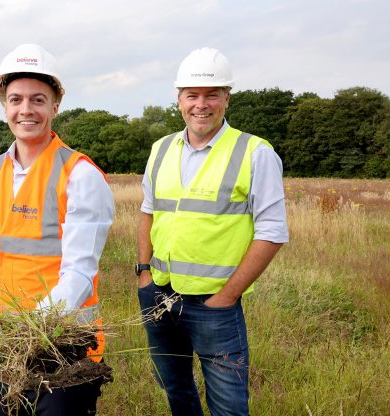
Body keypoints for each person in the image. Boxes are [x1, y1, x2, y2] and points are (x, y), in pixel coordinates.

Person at [0, 43, 115, 416]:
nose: (26, 110)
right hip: (3, 339)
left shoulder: (80, 175)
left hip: (65, 344)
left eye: (38, 100)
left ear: (55, 106)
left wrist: (33, 333)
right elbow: (0, 236)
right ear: (4, 106)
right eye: (16, 99)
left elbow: (80, 273)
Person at [136, 47, 289, 416]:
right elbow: (148, 213)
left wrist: (226, 296)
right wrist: (144, 276)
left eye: (211, 95)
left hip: (215, 305)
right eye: (192, 95)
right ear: (179, 100)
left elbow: (272, 232)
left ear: (227, 99)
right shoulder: (160, 149)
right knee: (175, 390)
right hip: (159, 295)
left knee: (228, 407)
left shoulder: (254, 152)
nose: (200, 105)